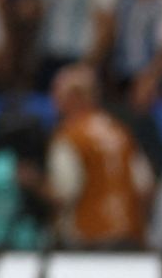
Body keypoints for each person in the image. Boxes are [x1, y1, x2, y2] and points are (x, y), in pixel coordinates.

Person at [47, 64, 154, 249]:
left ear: (76, 97)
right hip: (128, 236)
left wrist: (38, 187)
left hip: (88, 239)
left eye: (58, 94)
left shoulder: (70, 137)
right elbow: (145, 187)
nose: (54, 102)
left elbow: (65, 192)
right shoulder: (121, 132)